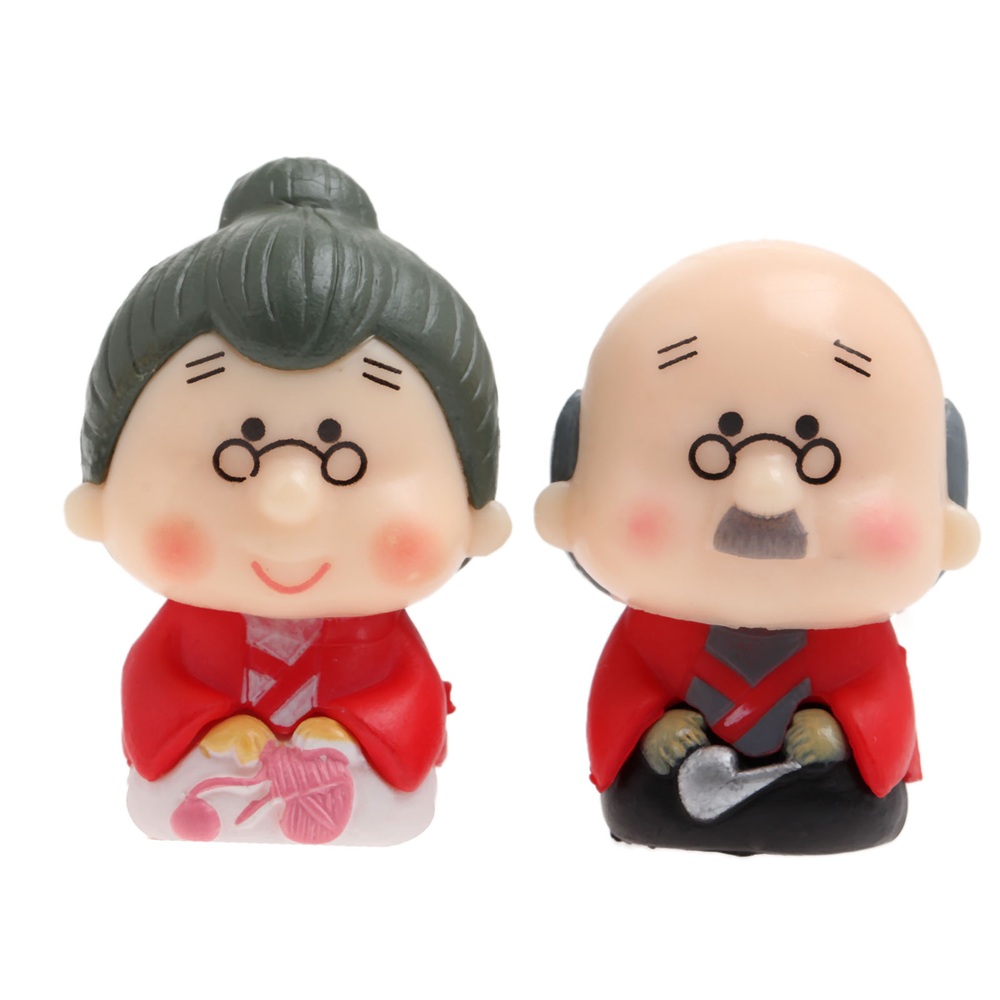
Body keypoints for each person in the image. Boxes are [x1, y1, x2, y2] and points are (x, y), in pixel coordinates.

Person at [66, 158, 510, 844]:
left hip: (360, 788)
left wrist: (350, 733)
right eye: (232, 458)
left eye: (346, 462)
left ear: (473, 515)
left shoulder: (381, 641)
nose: (286, 502)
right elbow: (153, 687)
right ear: (101, 497)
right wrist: (212, 727)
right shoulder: (183, 634)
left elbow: (408, 698)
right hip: (204, 785)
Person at [535, 241, 979, 854]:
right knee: (644, 794)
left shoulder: (857, 639)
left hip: (823, 782)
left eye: (821, 460)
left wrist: (843, 730)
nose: (764, 494)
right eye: (711, 456)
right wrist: (654, 727)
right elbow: (625, 686)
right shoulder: (651, 631)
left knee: (852, 799)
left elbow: (880, 696)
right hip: (677, 781)